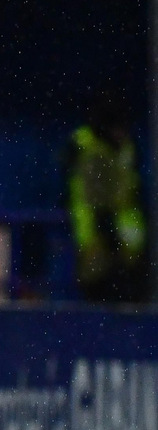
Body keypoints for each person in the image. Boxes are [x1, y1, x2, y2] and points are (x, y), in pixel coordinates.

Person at [66, 91, 146, 302]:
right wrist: (106, 228)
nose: (122, 132)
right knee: (99, 292)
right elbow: (90, 196)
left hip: (128, 238)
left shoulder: (127, 146)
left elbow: (132, 188)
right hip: (96, 234)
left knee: (128, 294)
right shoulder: (88, 146)